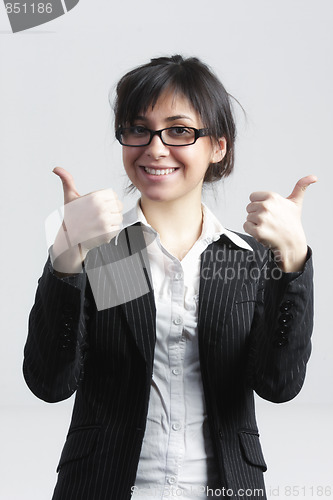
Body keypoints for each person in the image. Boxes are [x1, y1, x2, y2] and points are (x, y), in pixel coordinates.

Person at [24, 55, 316, 500]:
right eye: (138, 129)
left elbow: (279, 385)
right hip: (104, 487)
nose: (155, 148)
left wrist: (292, 260)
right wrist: (67, 254)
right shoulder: (104, 252)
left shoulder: (245, 258)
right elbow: (50, 383)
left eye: (179, 130)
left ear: (217, 146)